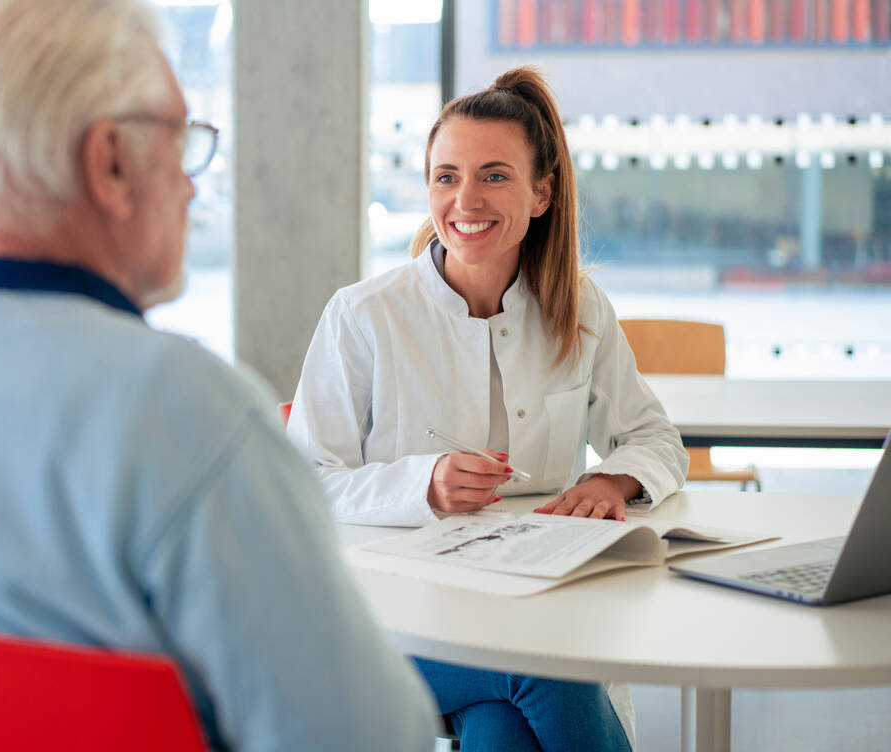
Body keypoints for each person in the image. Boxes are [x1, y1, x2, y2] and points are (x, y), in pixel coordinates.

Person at [0, 1, 440, 749]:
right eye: (183, 140)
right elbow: (374, 738)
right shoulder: (191, 415)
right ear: (111, 161)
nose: (193, 186)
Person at [286, 66, 690, 751]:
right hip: (391, 627)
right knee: (546, 672)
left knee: (502, 729)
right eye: (446, 177)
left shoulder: (581, 311)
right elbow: (301, 482)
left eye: (494, 175)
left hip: (533, 602)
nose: (464, 198)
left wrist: (612, 478)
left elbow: (653, 436)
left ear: (542, 193)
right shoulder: (364, 315)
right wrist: (425, 483)